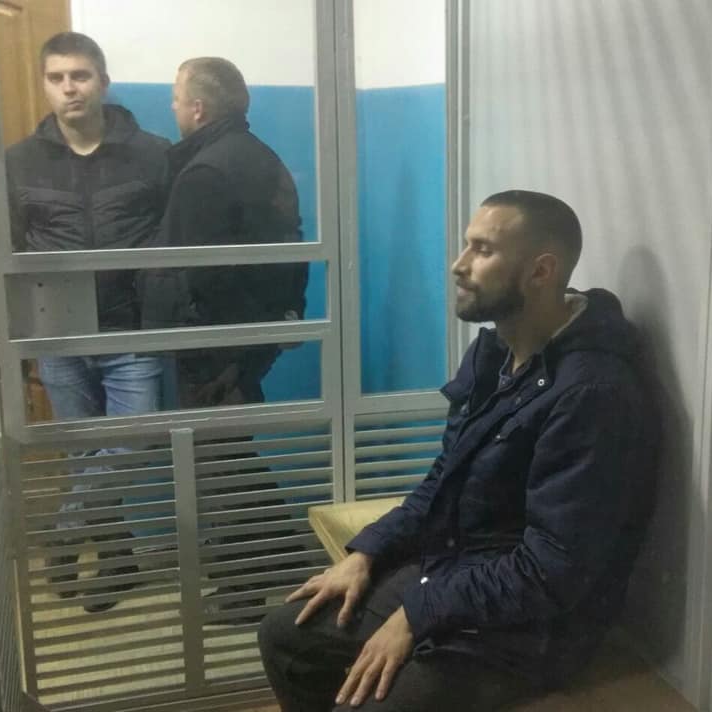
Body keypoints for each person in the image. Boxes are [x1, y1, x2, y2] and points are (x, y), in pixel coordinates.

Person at [258, 190, 659, 711]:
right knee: (286, 636)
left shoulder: (593, 394)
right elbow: (443, 480)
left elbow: (553, 570)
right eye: (467, 245)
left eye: (482, 250)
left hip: (531, 630)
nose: (458, 264)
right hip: (457, 573)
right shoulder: (492, 353)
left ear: (540, 272)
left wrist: (417, 613)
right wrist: (367, 552)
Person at [5, 32, 170, 612]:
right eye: (56, 78)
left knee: (133, 436)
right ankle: (118, 560)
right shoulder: (19, 161)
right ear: (44, 85)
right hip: (57, 330)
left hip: (133, 325)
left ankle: (61, 532)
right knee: (82, 453)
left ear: (102, 80)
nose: (69, 88)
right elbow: (12, 247)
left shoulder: (152, 153)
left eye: (79, 75)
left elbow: (171, 237)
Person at [141, 57, 308, 622]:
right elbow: (290, 249)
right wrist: (282, 318)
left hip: (214, 342)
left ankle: (243, 590)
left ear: (197, 108)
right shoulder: (262, 158)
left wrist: (214, 347)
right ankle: (283, 552)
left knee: (217, 462)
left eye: (175, 96)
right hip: (248, 334)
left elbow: (199, 273)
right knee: (230, 452)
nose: (171, 106)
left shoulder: (206, 171)